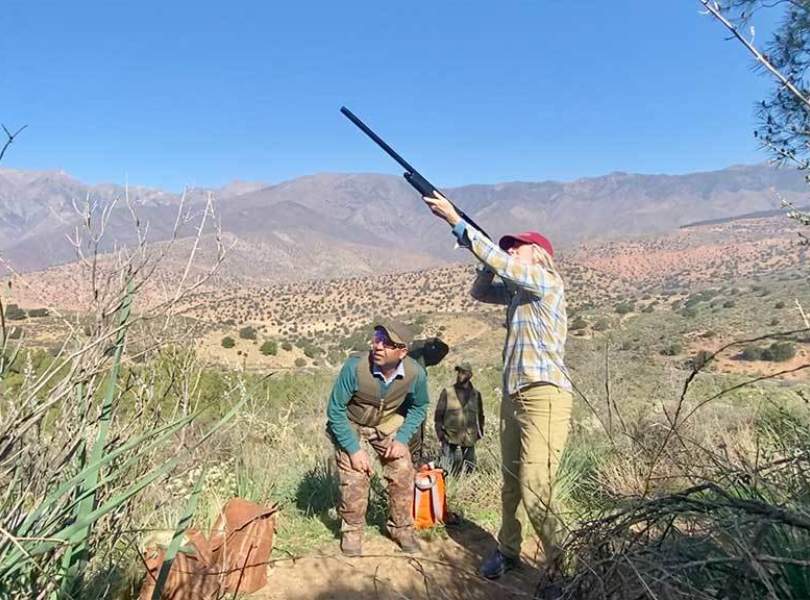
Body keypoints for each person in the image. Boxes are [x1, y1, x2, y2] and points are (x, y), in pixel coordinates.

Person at [423, 192, 573, 594]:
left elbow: (501, 262)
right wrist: (484, 263)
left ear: (538, 254)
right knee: (510, 482)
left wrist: (456, 221)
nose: (510, 251)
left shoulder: (546, 282)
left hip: (544, 395)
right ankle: (508, 550)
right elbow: (478, 291)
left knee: (535, 484)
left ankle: (562, 568)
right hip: (514, 394)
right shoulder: (515, 293)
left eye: (517, 247)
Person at [326, 318, 430, 556]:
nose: (378, 346)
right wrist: (353, 449)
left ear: (402, 351)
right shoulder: (354, 368)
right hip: (351, 423)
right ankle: (352, 532)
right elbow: (335, 410)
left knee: (403, 470)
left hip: (386, 425)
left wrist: (402, 439)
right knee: (356, 475)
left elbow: (420, 406)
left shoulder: (416, 374)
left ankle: (401, 529)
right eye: (377, 339)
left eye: (387, 343)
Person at [434, 361, 484, 475]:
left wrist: (480, 432)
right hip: (449, 437)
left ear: (470, 375)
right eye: (459, 372)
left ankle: (467, 489)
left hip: (469, 437)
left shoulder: (476, 394)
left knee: (469, 470)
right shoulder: (447, 392)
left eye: (463, 372)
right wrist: (440, 434)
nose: (460, 375)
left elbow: (481, 415)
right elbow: (438, 415)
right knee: (445, 469)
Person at [407, 336, 450, 464]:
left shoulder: (420, 355)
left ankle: (416, 459)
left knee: (417, 433)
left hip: (417, 402)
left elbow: (441, 352)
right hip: (408, 403)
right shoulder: (410, 357)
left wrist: (433, 342)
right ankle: (412, 461)